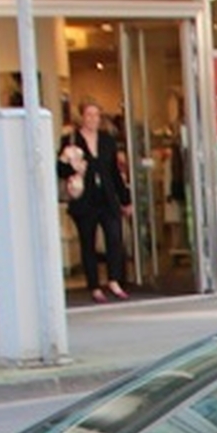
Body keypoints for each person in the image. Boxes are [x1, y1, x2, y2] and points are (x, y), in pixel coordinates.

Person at [59, 101, 133, 300]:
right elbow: (60, 170)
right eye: (89, 115)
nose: (93, 119)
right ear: (81, 117)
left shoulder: (107, 141)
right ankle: (94, 285)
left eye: (96, 115)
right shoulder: (71, 140)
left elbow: (114, 173)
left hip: (107, 197)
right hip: (85, 198)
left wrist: (125, 200)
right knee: (88, 242)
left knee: (114, 237)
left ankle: (114, 280)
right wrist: (72, 165)